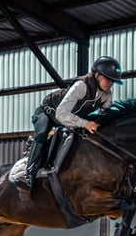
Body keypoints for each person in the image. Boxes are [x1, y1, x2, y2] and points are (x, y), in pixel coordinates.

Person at [21, 55, 123, 190]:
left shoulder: (107, 95)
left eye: (113, 81)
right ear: (97, 75)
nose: (110, 83)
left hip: (71, 116)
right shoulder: (81, 86)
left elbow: (104, 114)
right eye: (108, 79)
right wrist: (86, 124)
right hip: (50, 111)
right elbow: (61, 114)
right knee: (42, 132)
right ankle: (28, 174)